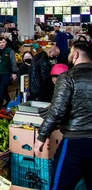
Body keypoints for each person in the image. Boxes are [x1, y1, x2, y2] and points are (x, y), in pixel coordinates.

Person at [34, 41, 92, 190]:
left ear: (76, 54)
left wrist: (41, 136)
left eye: (71, 52)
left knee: (60, 186)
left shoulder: (67, 77)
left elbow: (57, 110)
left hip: (74, 142)